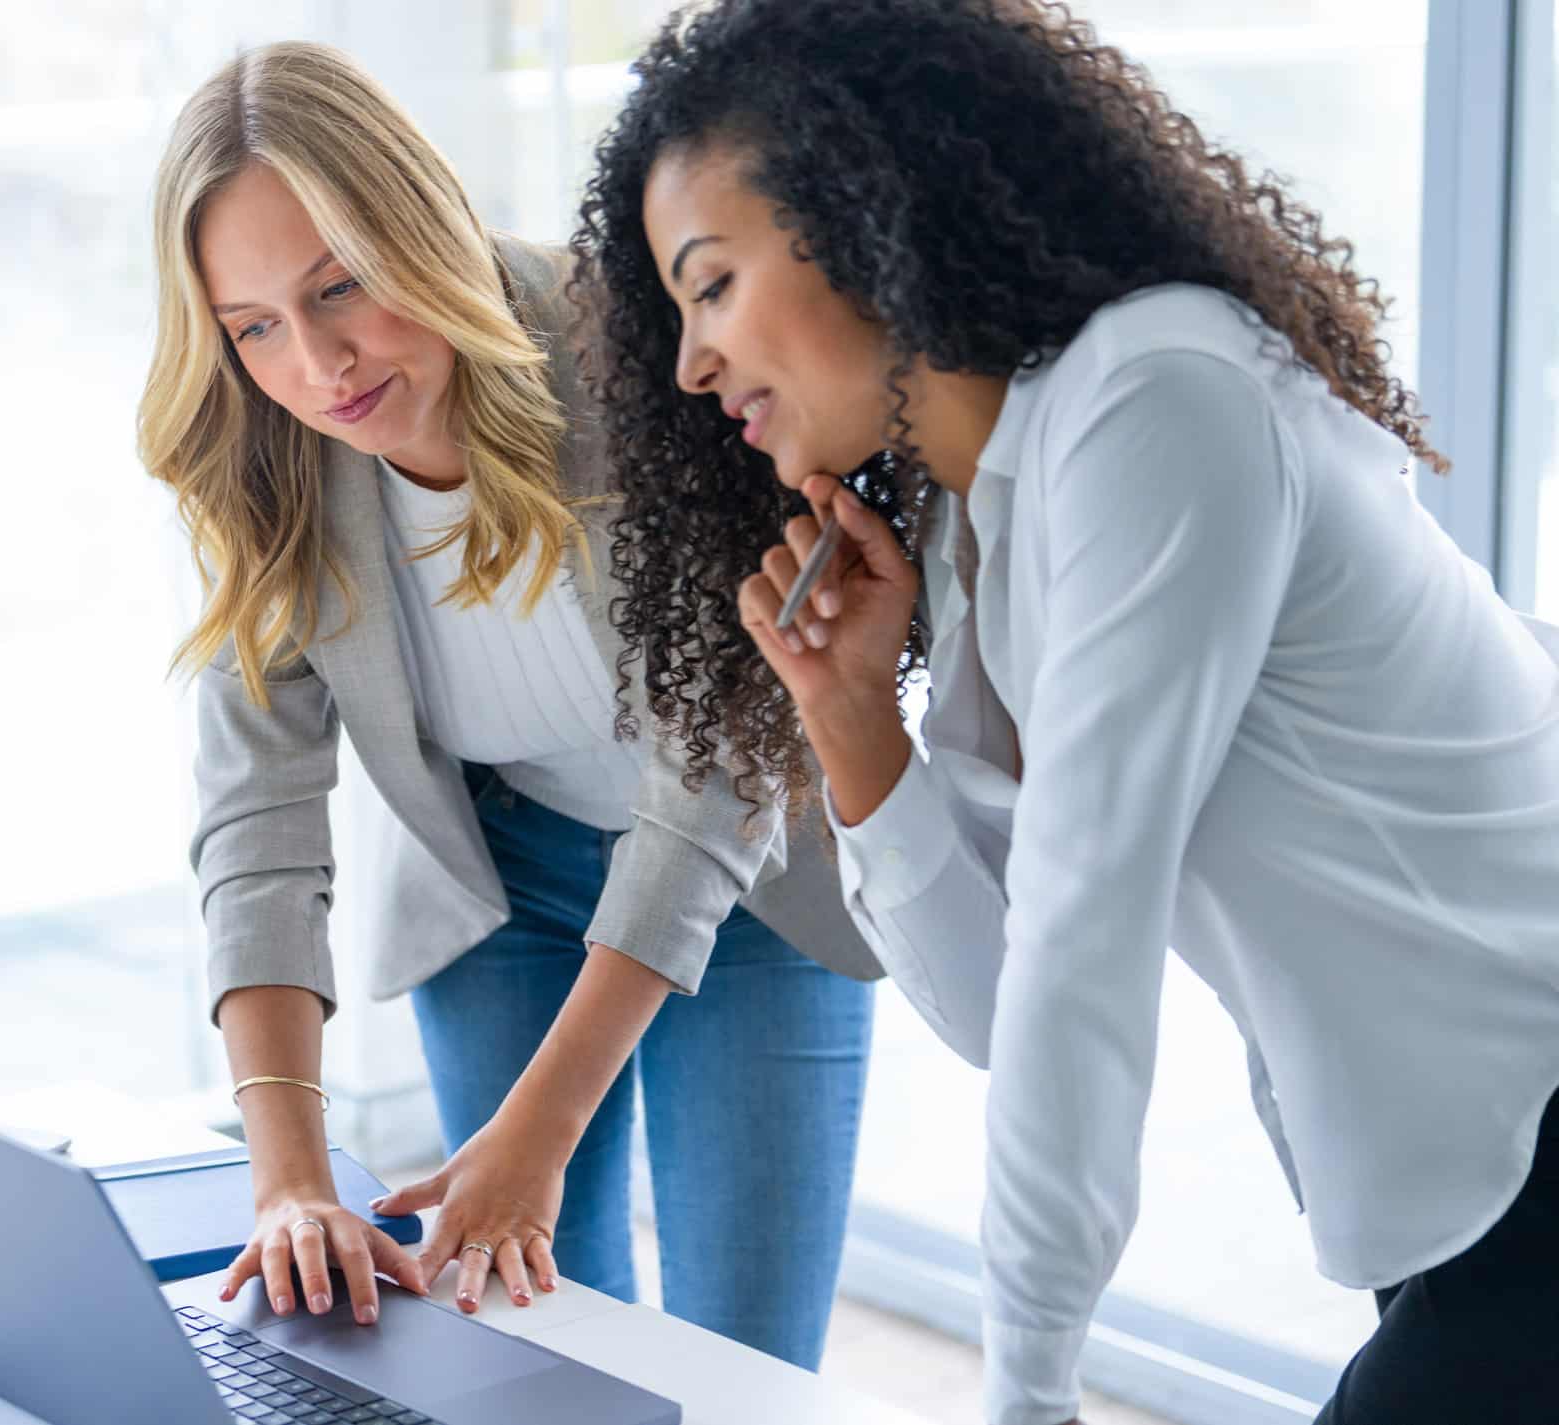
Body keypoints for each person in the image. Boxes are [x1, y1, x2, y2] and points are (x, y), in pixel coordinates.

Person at [569, 1, 1559, 1422]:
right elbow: (995, 999)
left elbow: (1083, 967)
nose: (690, 363)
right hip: (1468, 1175)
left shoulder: (1159, 397)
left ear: (866, 211)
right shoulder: (993, 527)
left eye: (711, 284)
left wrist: (1024, 1397)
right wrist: (858, 730)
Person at [135, 40, 885, 1369]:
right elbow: (258, 823)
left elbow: (718, 754)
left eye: (340, 286)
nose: (315, 363)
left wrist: (539, 1132)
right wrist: (291, 1179)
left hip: (749, 864)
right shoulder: (264, 468)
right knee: (540, 1359)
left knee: (745, 1370)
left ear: (415, 226)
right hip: (500, 878)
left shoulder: (626, 351)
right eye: (252, 326)